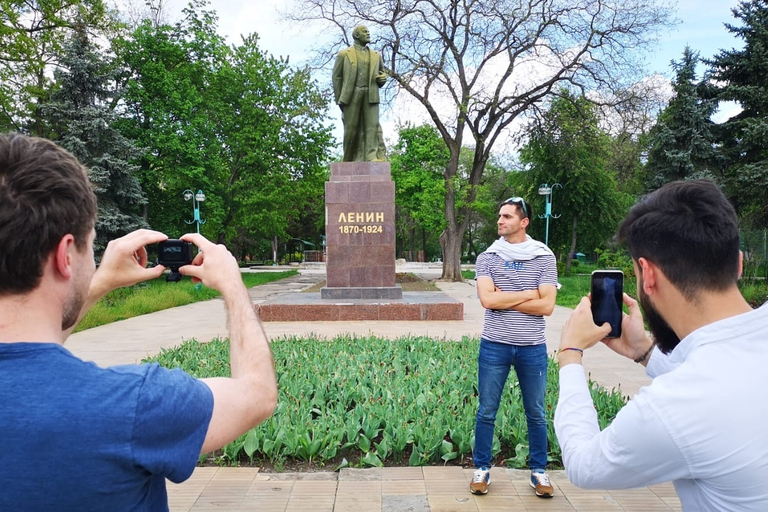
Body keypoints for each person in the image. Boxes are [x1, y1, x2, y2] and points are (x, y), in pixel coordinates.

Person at [0, 133, 278, 511]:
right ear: (66, 255)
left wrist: (100, 282)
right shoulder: (134, 403)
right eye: (90, 245)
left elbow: (33, 343)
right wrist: (233, 285)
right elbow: (257, 394)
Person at [554, 179, 768, 511]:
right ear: (737, 263)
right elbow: (726, 381)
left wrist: (570, 354)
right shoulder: (702, 387)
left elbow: (584, 465)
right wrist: (644, 352)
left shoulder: (675, 407)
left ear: (648, 274)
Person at [470, 196, 559, 498]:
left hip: (532, 348)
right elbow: (488, 301)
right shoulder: (487, 257)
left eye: (507, 216)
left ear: (524, 223)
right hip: (494, 345)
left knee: (535, 412)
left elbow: (547, 306)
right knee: (486, 412)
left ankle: (539, 473)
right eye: (499, 215)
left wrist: (506, 295)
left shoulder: (543, 257)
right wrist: (528, 292)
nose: (500, 220)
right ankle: (481, 470)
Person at [332, 24, 387, 162]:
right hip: (352, 94)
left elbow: (382, 74)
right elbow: (337, 77)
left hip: (371, 94)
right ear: (356, 35)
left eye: (368, 31)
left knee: (372, 127)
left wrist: (382, 79)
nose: (368, 33)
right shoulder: (344, 54)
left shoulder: (376, 55)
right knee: (351, 128)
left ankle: (371, 156)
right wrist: (340, 99)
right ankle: (348, 158)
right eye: (364, 31)